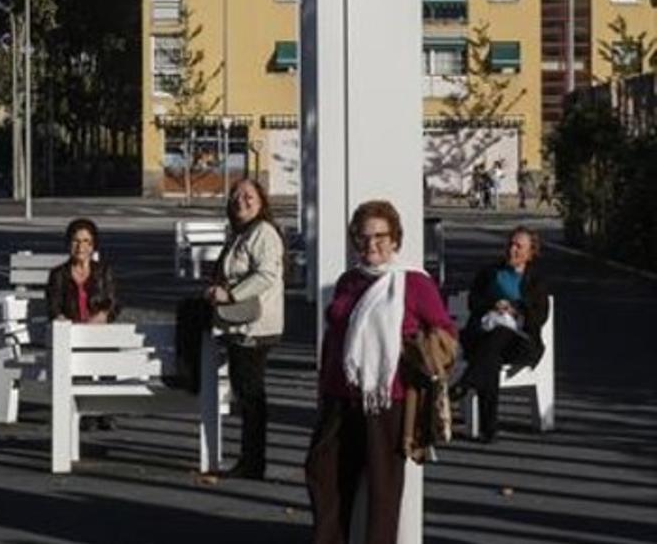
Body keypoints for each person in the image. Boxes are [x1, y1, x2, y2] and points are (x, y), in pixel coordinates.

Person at [305, 200, 454, 544]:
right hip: (339, 395)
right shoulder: (348, 281)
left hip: (389, 399)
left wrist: (413, 347)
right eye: (363, 237)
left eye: (380, 236)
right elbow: (334, 336)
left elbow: (446, 333)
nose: (371, 244)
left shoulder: (414, 283)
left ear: (395, 239)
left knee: (383, 490)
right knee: (323, 473)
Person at [208, 178, 285, 479]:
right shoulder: (242, 234)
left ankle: (253, 461)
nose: (241, 200)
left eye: (248, 195)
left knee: (251, 395)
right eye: (235, 195)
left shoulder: (263, 233)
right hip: (241, 323)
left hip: (255, 324)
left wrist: (231, 294)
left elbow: (266, 274)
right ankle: (251, 458)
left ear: (262, 201)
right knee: (246, 392)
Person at [453, 226, 548, 443]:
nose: (512, 250)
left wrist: (515, 309)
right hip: (486, 335)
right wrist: (493, 304)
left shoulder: (536, 281)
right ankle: (489, 430)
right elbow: (473, 301)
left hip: (520, 342)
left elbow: (539, 316)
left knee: (499, 338)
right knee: (491, 357)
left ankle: (465, 384)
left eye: (518, 246)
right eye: (510, 244)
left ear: (531, 253)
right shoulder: (490, 272)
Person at [45, 218, 119, 431]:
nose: (81, 247)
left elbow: (114, 302)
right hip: (71, 334)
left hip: (99, 332)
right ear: (69, 244)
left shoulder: (103, 271)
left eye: (86, 241)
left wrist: (104, 315)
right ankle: (85, 409)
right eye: (76, 241)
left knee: (106, 354)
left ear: (93, 245)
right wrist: (60, 318)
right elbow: (53, 307)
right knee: (78, 356)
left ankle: (105, 409)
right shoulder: (58, 275)